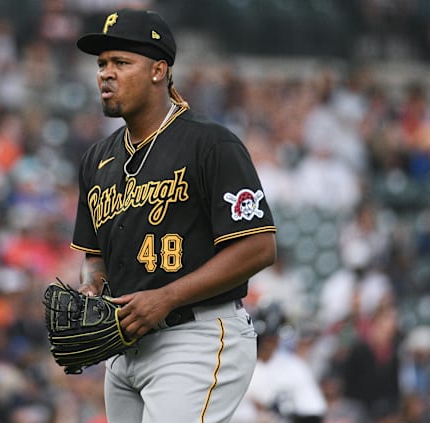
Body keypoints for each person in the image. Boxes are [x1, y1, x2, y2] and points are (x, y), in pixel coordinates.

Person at [70, 9, 277, 422]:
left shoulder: (210, 144)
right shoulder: (97, 159)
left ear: (158, 70)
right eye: (102, 64)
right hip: (124, 346)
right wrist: (92, 288)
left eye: (121, 63)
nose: (106, 75)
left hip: (195, 336)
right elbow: (94, 255)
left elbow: (259, 247)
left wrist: (166, 297)